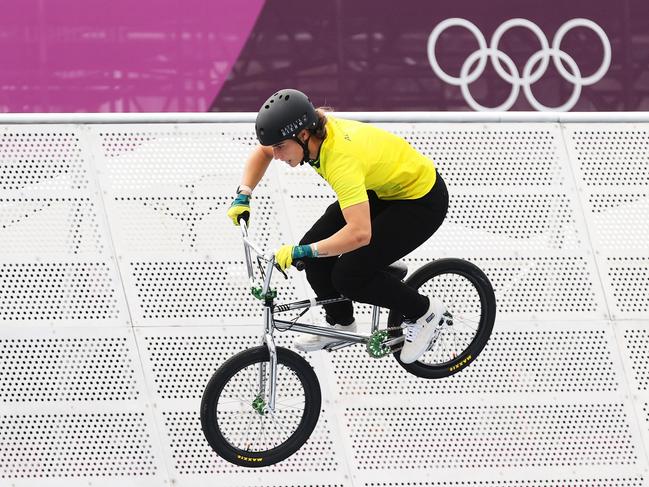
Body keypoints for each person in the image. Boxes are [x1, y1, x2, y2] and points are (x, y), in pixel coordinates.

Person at [227, 89, 449, 364]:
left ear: (304, 135)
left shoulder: (341, 159)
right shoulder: (303, 134)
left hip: (421, 202)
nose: (278, 155)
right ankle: (342, 324)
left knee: (349, 276)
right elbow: (263, 152)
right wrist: (244, 194)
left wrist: (302, 251)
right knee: (316, 257)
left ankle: (425, 312)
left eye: (281, 147)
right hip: (384, 191)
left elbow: (359, 233)